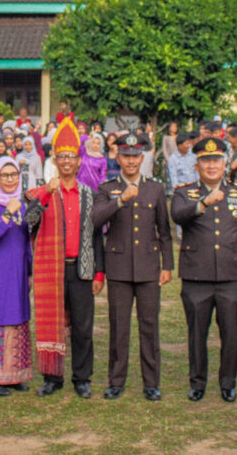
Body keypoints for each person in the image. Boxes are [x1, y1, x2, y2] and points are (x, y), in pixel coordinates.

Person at [171, 137, 237, 403]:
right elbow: (178, 215)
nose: (211, 166)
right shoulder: (184, 193)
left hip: (231, 276)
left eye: (216, 161)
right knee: (197, 333)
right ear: (197, 166)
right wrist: (204, 203)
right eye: (206, 161)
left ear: (225, 164)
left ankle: (227, 382)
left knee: (230, 332)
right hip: (197, 276)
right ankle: (197, 382)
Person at [25, 119, 104, 399]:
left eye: (72, 157)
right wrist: (47, 191)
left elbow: (96, 236)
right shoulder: (44, 192)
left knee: (83, 327)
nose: (67, 162)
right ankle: (52, 377)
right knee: (52, 325)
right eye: (62, 157)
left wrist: (98, 272)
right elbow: (29, 220)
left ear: (79, 161)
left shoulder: (88, 195)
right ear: (55, 160)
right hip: (52, 271)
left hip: (80, 270)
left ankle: (82, 378)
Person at [91, 131, 173, 401]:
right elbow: (95, 220)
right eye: (125, 155)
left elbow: (164, 231)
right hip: (119, 267)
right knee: (119, 326)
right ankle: (116, 381)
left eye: (135, 156)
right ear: (117, 156)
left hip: (149, 266)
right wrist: (121, 199)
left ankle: (152, 382)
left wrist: (167, 265)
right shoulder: (107, 188)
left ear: (143, 157)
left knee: (149, 326)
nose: (131, 161)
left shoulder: (155, 188)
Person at [0, 160, 34, 397]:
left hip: (18, 271)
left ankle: (16, 375)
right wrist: (7, 213)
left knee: (17, 317)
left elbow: (26, 239)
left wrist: (30, 271)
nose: (10, 179)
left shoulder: (22, 204)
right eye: (4, 175)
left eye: (13, 175)